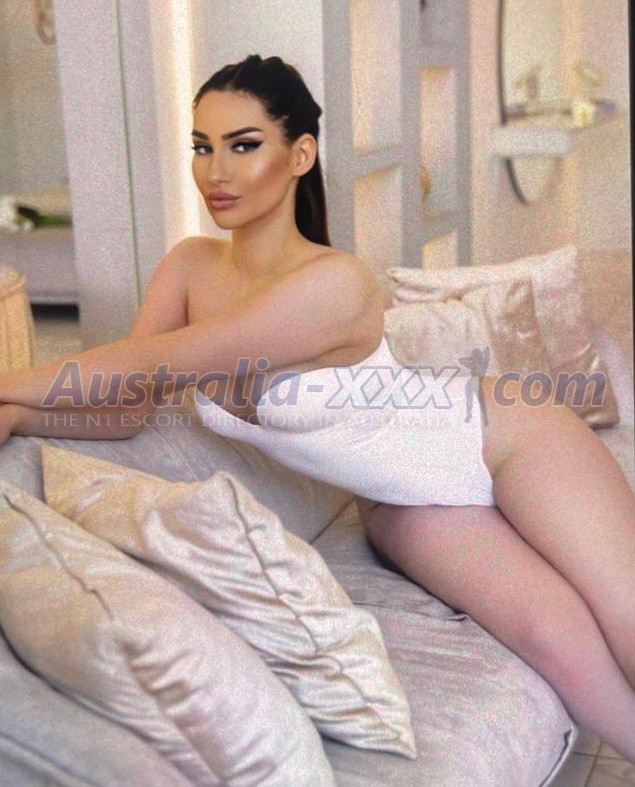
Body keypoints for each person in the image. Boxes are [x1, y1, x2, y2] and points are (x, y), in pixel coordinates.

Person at [1, 54, 634, 761]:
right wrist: (18, 413)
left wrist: (7, 382)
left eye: (243, 145)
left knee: (627, 624)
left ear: (299, 154)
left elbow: (161, 360)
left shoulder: (334, 281)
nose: (216, 171)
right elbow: (126, 407)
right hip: (398, 508)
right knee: (556, 641)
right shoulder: (188, 267)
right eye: (202, 147)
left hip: (502, 441)